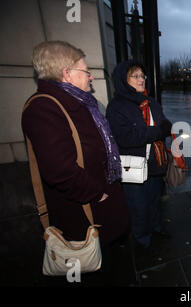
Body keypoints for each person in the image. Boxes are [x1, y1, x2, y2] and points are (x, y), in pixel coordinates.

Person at [22, 41, 131, 285]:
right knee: (93, 273)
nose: (91, 76)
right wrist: (98, 194)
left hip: (103, 207)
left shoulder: (82, 104)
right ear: (66, 73)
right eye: (85, 71)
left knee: (110, 266)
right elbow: (59, 170)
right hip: (84, 215)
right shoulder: (44, 108)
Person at [106, 61, 172, 253]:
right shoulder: (116, 107)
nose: (141, 79)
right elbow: (126, 137)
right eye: (135, 76)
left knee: (154, 202)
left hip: (156, 162)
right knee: (138, 206)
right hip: (134, 166)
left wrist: (163, 127)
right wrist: (158, 132)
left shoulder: (151, 102)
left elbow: (163, 121)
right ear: (123, 80)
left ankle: (157, 229)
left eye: (142, 75)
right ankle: (142, 239)